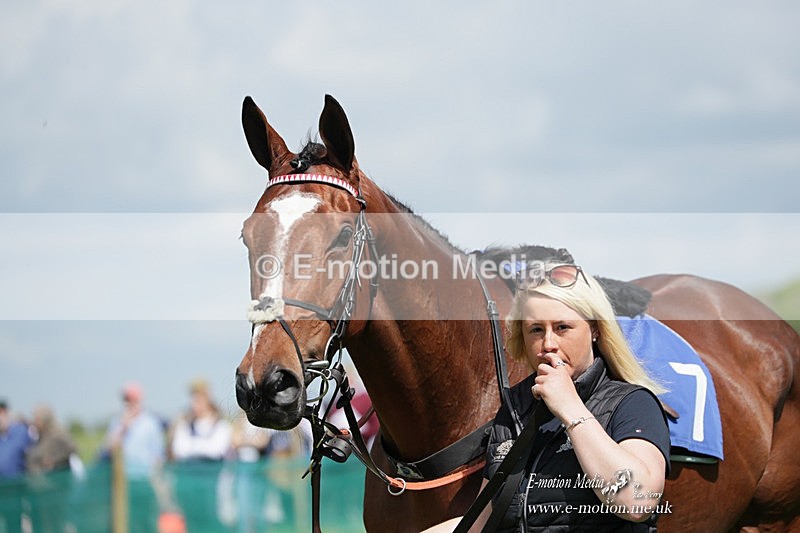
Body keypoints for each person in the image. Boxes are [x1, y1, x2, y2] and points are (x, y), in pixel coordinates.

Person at [426, 262, 670, 532]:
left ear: (595, 329)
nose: (548, 344)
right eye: (536, 329)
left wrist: (570, 408)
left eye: (563, 327)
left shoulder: (633, 403)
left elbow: (637, 502)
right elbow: (483, 522)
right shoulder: (514, 410)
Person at [103, 383, 166, 533]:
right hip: (121, 482)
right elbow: (107, 450)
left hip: (144, 480)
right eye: (127, 400)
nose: (129, 403)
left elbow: (158, 455)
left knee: (146, 521)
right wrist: (122, 428)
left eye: (133, 400)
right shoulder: (117, 423)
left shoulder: (150, 423)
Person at [170, 379, 232, 461]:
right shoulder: (185, 425)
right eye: (194, 400)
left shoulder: (221, 425)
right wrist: (205, 445)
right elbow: (179, 450)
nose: (194, 404)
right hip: (190, 468)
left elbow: (216, 451)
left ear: (207, 400)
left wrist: (192, 445)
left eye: (199, 400)